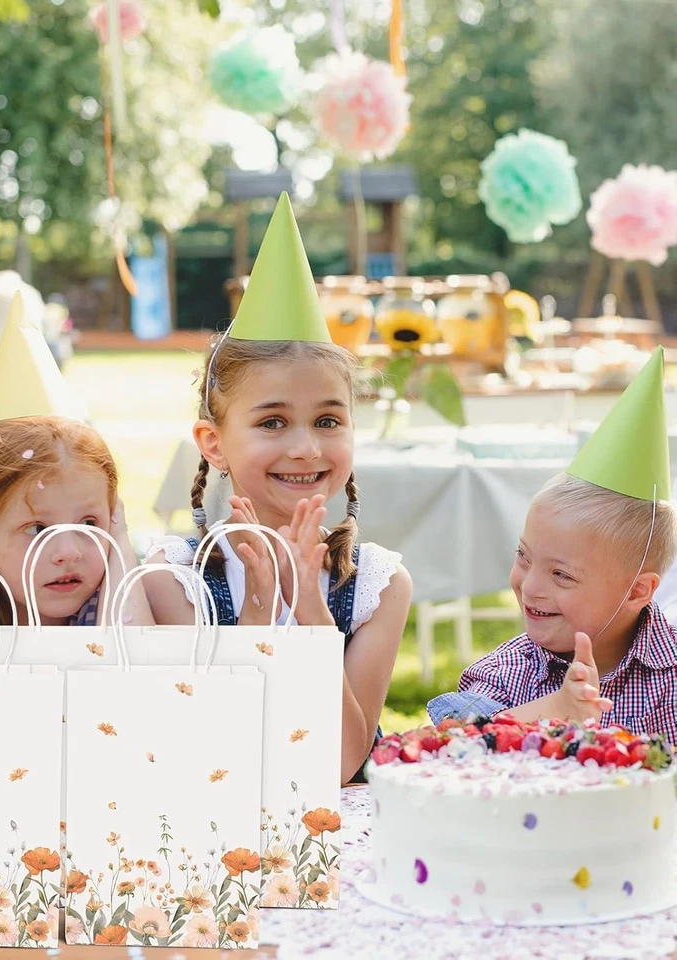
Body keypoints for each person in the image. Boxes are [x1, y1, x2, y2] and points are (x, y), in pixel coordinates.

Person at [143, 193, 412, 783]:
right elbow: (215, 752)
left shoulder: (376, 587)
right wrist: (260, 610)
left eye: (328, 420)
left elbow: (340, 763)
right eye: (272, 423)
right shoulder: (174, 580)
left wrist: (312, 610)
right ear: (213, 443)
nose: (306, 448)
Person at [429, 347, 677, 743]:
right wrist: (555, 709)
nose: (529, 587)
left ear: (637, 591)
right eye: (523, 557)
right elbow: (448, 747)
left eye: (561, 574)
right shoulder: (505, 674)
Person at [0, 414, 152, 627]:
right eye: (37, 529)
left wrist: (120, 543)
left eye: (88, 524)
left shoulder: (113, 599)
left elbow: (134, 657)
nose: (69, 552)